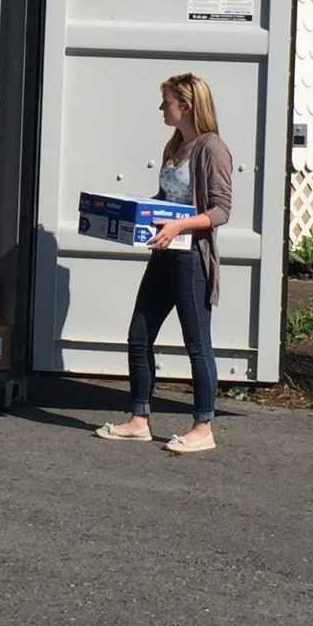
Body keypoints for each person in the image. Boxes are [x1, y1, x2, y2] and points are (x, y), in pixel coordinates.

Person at [96, 73, 234, 455]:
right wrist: (139, 213)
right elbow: (165, 197)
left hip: (190, 259)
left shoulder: (212, 148)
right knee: (139, 336)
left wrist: (178, 226)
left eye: (167, 102)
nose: (162, 108)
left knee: (197, 344)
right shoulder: (174, 146)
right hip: (163, 255)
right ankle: (139, 420)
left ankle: (203, 426)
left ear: (187, 106)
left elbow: (220, 210)